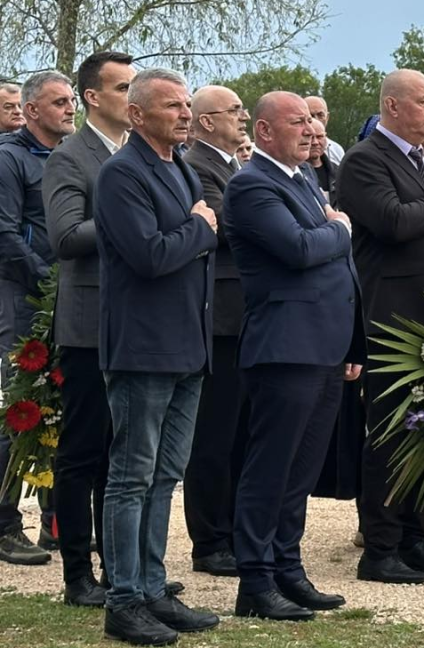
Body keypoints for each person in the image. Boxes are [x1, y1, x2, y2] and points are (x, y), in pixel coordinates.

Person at [224, 91, 364, 621]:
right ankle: (255, 581)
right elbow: (300, 250)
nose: (311, 130)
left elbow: (332, 267)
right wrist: (339, 228)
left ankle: (287, 567)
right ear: (263, 131)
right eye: (298, 122)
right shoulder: (252, 185)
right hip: (285, 347)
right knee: (271, 468)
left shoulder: (303, 178)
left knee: (301, 470)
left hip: (325, 346)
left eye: (312, 121)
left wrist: (352, 343)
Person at [95, 67, 220, 644]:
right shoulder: (122, 175)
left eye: (187, 103)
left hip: (187, 345)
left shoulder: (183, 170)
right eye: (172, 106)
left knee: (165, 475)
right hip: (144, 347)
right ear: (139, 114)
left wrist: (197, 228)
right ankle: (123, 600)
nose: (185, 113)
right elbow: (149, 256)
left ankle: (151, 587)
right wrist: (199, 228)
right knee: (131, 475)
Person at [336, 69, 424, 584]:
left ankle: (415, 535)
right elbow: (393, 221)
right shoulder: (366, 160)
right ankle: (380, 545)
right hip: (394, 318)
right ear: (392, 106)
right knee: (391, 433)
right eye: (423, 102)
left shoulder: (422, 161)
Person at [43, 51, 135, 604]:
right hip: (88, 324)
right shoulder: (71, 158)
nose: (132, 95)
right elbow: (65, 237)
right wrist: (131, 217)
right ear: (93, 98)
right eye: (123, 87)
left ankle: (120, 568)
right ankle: (77, 573)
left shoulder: (139, 155)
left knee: (123, 457)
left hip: (135, 322)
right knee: (83, 454)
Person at [0, 70, 77, 566]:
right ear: (30, 111)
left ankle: (57, 522)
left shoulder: (70, 157)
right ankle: (6, 523)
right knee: (21, 409)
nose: (70, 109)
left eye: (72, 100)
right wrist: (48, 284)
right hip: (26, 298)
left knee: (64, 407)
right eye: (59, 102)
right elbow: (5, 233)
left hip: (68, 299)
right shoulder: (9, 159)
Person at [181, 84, 250, 579]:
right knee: (214, 435)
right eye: (235, 110)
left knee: (240, 432)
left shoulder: (232, 165)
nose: (243, 117)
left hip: (245, 316)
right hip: (219, 318)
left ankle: (232, 531)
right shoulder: (197, 166)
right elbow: (223, 225)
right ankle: (209, 541)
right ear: (207, 121)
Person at [305, 95, 345, 165]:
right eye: (310, 116)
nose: (316, 119)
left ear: (327, 117)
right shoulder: (294, 150)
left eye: (320, 115)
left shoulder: (336, 150)